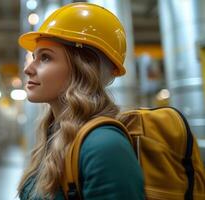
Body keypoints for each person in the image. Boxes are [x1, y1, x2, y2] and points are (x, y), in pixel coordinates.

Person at [17, 3, 144, 200]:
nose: (28, 69)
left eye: (45, 58)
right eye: (34, 57)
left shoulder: (103, 146)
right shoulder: (55, 134)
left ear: (83, 69)